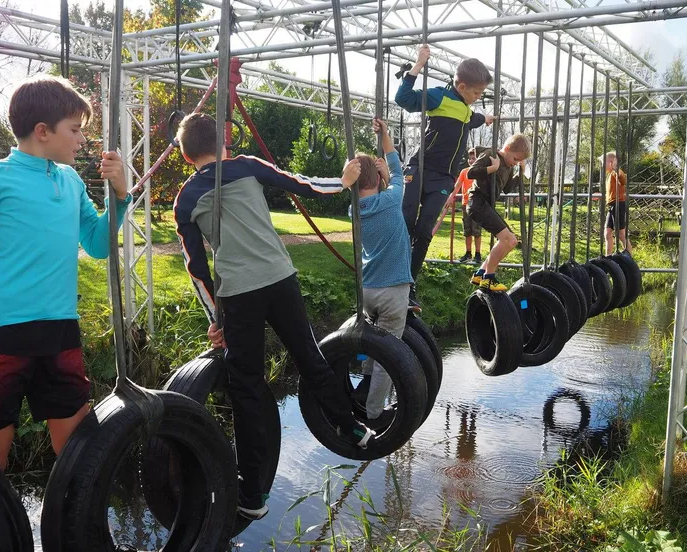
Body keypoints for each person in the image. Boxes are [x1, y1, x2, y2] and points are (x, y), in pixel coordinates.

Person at [173, 113, 374, 521]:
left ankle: (254, 494)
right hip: (280, 279)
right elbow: (302, 184)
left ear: (185, 153)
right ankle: (353, 427)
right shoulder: (247, 165)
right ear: (223, 141)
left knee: (246, 388)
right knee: (308, 356)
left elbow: (196, 267)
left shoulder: (186, 198)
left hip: (240, 295)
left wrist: (216, 316)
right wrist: (344, 182)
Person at [0, 75, 131, 472]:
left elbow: (99, 246)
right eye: (75, 130)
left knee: (76, 456)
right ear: (42, 132)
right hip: (1, 334)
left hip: (60, 331)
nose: (82, 140)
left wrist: (121, 195)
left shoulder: (69, 180)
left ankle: (71, 533)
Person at [395, 44, 495, 310]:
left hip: (443, 178)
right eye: (476, 92)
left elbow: (473, 119)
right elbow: (404, 99)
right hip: (420, 168)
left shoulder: (465, 108)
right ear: (461, 87)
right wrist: (418, 65)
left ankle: (409, 284)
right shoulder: (440, 97)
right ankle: (391, 275)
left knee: (424, 231)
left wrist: (487, 118)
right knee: (406, 222)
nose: (478, 96)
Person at [347, 118, 412, 430]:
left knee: (374, 345)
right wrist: (385, 136)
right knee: (388, 354)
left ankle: (363, 388)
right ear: (377, 179)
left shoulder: (353, 211)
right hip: (394, 290)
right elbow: (398, 170)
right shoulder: (391, 198)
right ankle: (373, 413)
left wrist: (380, 177)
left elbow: (386, 181)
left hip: (368, 290)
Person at [466, 134, 532, 291]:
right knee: (506, 239)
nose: (515, 163)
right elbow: (471, 172)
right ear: (507, 149)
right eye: (515, 159)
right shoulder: (491, 154)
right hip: (477, 202)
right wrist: (492, 168)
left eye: (518, 161)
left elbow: (507, 188)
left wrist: (520, 173)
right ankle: (488, 278)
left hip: (486, 205)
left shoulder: (509, 167)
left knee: (512, 241)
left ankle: (480, 273)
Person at [457, 148, 482, 264]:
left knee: (476, 230)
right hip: (465, 204)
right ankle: (468, 253)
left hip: (477, 204)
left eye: (474, 158)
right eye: (470, 158)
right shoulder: (464, 172)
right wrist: (451, 196)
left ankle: (478, 254)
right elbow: (457, 186)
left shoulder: (480, 172)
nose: (472, 160)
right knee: (467, 230)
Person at [603, 151, 631, 253]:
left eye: (604, 163)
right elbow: (612, 191)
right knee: (607, 232)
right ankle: (608, 258)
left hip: (618, 204)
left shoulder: (616, 172)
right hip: (612, 205)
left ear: (611, 162)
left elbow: (623, 180)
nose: (602, 166)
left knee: (621, 234)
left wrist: (616, 168)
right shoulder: (610, 174)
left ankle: (629, 259)